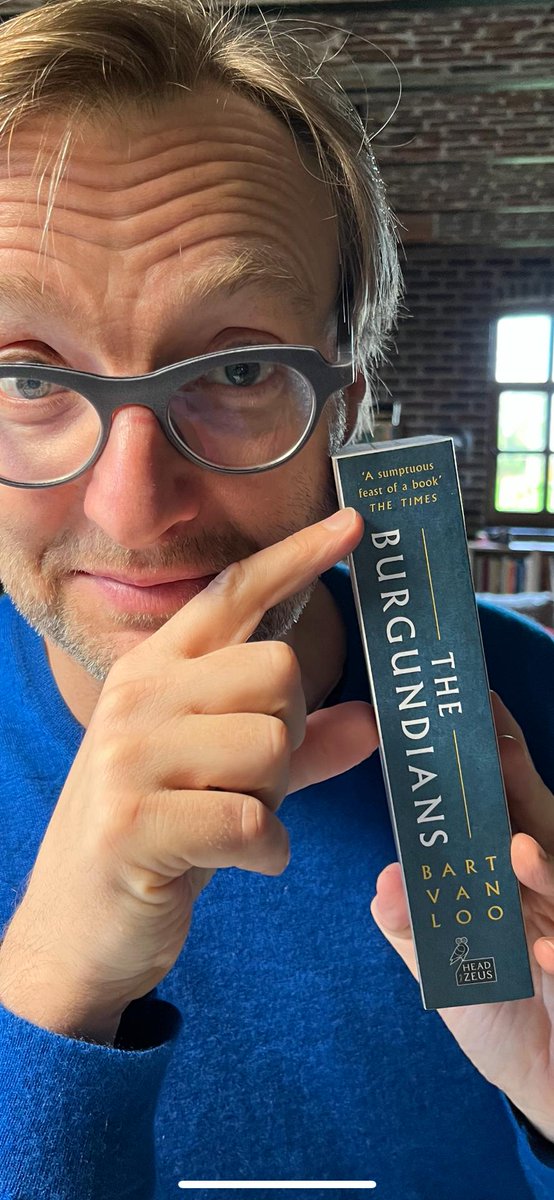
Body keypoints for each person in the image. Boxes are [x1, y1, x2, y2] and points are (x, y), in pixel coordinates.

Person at [0, 1, 552, 1197]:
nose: (133, 509)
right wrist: (49, 998)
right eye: (27, 378)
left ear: (345, 411)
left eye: (240, 369)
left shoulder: (541, 710)